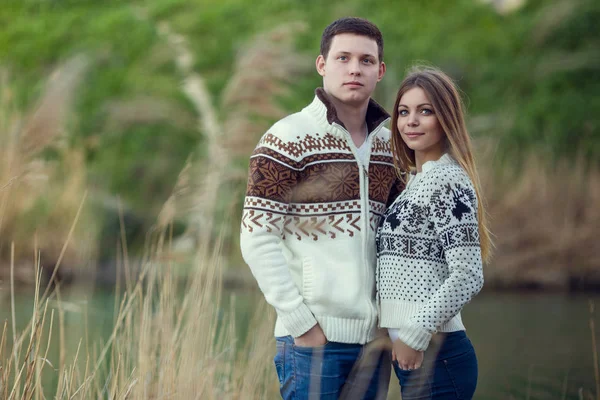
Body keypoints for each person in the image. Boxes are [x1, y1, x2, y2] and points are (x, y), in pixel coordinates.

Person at [240, 17, 403, 400]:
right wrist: (301, 324)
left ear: (379, 71)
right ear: (322, 65)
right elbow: (256, 238)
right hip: (314, 341)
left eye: (365, 61)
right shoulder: (287, 138)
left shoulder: (391, 144)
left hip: (376, 342)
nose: (354, 69)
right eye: (343, 57)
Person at [375, 66, 493, 400]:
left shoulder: (446, 180)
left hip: (438, 354)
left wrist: (415, 333)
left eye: (425, 111)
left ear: (445, 118)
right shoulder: (416, 181)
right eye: (403, 111)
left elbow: (468, 274)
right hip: (416, 354)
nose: (410, 121)